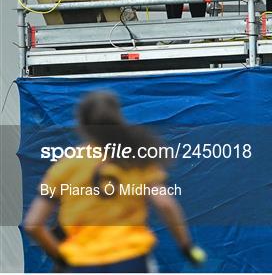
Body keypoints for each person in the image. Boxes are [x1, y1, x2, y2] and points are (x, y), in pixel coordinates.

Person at [24, 90, 206, 272]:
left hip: (82, 263)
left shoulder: (66, 165)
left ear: (82, 124)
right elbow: (165, 204)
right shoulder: (136, 157)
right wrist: (186, 246)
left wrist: (60, 257)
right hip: (130, 259)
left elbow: (33, 224)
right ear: (118, 118)